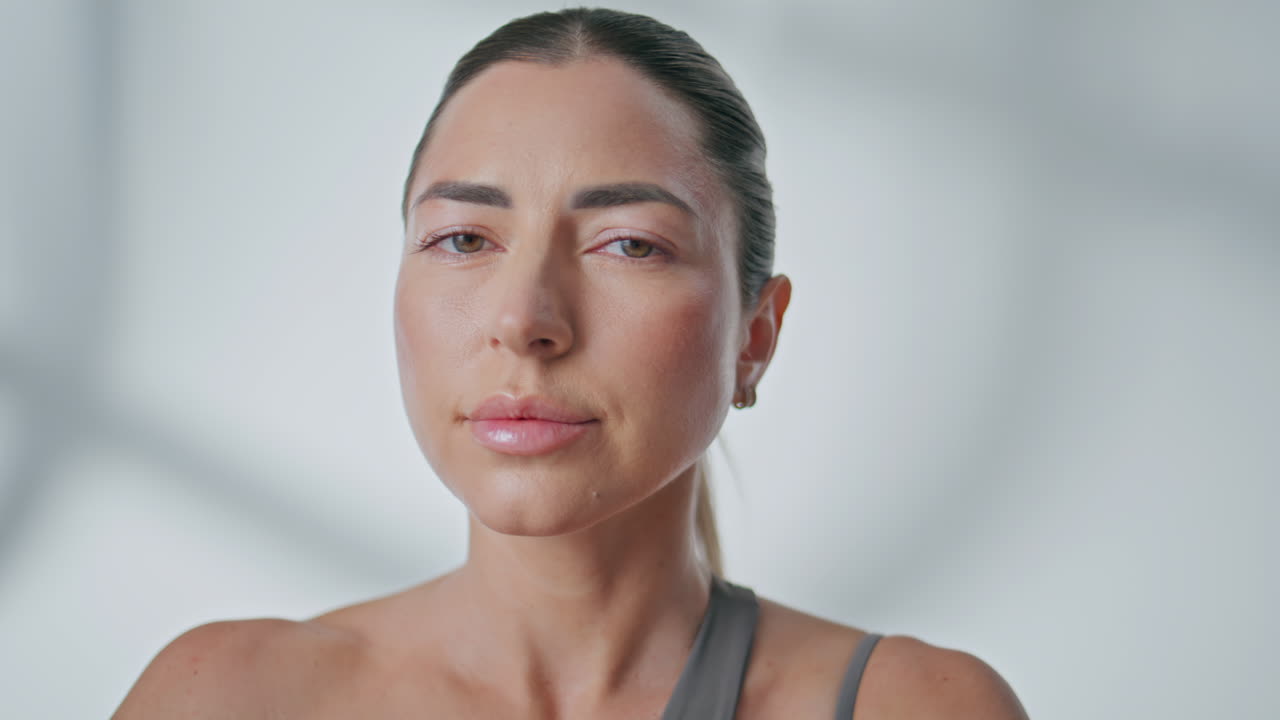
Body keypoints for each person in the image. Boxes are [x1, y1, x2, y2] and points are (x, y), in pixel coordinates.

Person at [114, 8, 1028, 719]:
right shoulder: (224, 697)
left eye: (629, 245)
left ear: (755, 334)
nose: (524, 320)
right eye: (465, 237)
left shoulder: (912, 707)